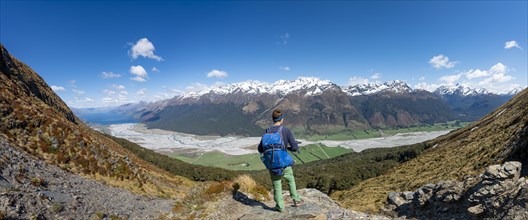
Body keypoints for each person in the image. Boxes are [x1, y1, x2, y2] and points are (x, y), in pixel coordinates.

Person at [258, 109, 304, 212]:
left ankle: (280, 207)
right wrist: (286, 148)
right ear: (281, 119)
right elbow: (295, 148)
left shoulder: (267, 131)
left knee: (276, 184)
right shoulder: (286, 130)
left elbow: (260, 149)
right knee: (290, 180)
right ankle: (296, 200)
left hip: (272, 164)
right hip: (284, 163)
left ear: (273, 119)